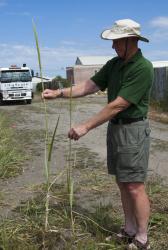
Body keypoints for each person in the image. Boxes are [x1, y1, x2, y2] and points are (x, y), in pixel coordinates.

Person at [42, 19, 153, 250]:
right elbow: (89, 86)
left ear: (130, 40)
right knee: (123, 182)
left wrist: (85, 126)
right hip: (117, 128)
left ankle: (142, 238)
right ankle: (129, 229)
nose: (113, 47)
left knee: (134, 185)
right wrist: (59, 92)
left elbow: (118, 105)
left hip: (133, 130)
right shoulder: (114, 64)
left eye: (116, 42)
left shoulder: (143, 68)